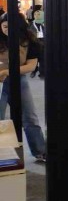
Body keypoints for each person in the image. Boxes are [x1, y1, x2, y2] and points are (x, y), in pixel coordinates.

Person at [0, 12, 46, 162]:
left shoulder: (28, 41)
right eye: (4, 27)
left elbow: (31, 66)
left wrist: (7, 71)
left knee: (30, 117)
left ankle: (40, 151)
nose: (7, 30)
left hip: (18, 80)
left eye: (11, 27)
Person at [29, 8, 44, 79]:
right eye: (36, 15)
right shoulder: (30, 25)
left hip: (44, 44)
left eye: (39, 15)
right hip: (34, 45)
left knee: (43, 59)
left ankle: (42, 73)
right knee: (34, 59)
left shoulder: (45, 24)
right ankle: (34, 70)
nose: (37, 16)